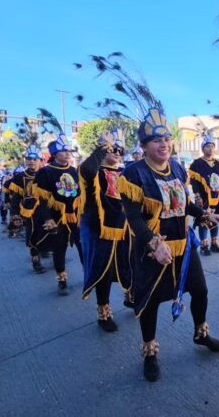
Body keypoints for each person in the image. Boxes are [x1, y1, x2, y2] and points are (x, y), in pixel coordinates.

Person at [118, 106, 219, 382]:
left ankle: (200, 334)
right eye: (156, 140)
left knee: (200, 289)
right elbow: (133, 218)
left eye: (166, 139)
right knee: (151, 302)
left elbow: (183, 203)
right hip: (152, 252)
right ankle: (150, 352)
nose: (163, 144)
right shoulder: (133, 174)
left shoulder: (178, 167)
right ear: (144, 146)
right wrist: (154, 244)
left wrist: (203, 214)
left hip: (183, 247)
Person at [78, 129, 132, 332]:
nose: (118, 153)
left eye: (120, 149)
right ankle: (103, 311)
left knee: (129, 265)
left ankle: (130, 296)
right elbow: (88, 169)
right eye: (113, 149)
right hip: (100, 231)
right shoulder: (93, 172)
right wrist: (101, 150)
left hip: (124, 228)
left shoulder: (124, 172)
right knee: (104, 272)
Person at [33, 134, 82, 295]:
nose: (68, 153)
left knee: (84, 247)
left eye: (69, 150)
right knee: (59, 249)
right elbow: (43, 199)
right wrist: (48, 218)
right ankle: (61, 278)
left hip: (75, 216)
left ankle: (89, 274)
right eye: (64, 150)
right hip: (57, 217)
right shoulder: (45, 172)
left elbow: (79, 193)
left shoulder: (74, 170)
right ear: (55, 153)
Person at [9, 147, 49, 272]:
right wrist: (15, 215)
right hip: (30, 213)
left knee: (49, 234)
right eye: (28, 159)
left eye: (34, 159)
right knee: (32, 236)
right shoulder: (20, 177)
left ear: (40, 160)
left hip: (47, 212)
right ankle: (35, 261)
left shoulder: (47, 173)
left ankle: (46, 251)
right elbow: (15, 198)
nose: (31, 161)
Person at [189, 133, 219, 256]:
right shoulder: (197, 163)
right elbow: (193, 179)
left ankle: (214, 243)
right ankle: (204, 245)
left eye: (212, 146)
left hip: (217, 197)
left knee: (216, 219)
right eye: (208, 146)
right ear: (203, 148)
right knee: (204, 219)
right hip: (203, 197)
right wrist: (197, 195)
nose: (210, 149)